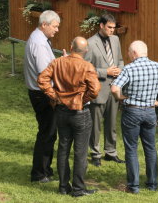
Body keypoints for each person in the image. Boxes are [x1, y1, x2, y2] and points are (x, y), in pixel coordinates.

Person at [38, 37, 100, 197]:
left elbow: (42, 79)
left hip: (61, 111)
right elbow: (94, 90)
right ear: (85, 51)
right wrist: (80, 99)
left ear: (70, 46)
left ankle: (64, 186)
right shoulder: (87, 66)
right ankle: (78, 188)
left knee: (63, 148)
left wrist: (55, 96)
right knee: (80, 152)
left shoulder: (58, 62)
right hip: (80, 113)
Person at [111, 40, 158, 194]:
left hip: (132, 112)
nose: (127, 55)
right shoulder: (157, 66)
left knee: (131, 149)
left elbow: (114, 88)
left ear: (134, 53)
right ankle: (152, 184)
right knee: (150, 148)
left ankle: (133, 186)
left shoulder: (128, 68)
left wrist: (121, 97)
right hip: (150, 112)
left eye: (128, 52)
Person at [24, 10, 61, 183]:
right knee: (47, 133)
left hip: (41, 93)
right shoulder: (39, 43)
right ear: (44, 24)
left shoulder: (40, 38)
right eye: (55, 26)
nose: (57, 30)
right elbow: (45, 72)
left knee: (49, 133)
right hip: (42, 95)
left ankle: (45, 170)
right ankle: (39, 174)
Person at [85, 14, 124, 167]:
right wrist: (105, 72)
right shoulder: (90, 43)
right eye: (109, 27)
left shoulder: (115, 40)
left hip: (114, 88)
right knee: (95, 125)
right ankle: (95, 154)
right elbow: (86, 69)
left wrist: (119, 70)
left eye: (114, 28)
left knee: (112, 123)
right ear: (101, 25)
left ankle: (111, 152)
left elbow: (120, 59)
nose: (112, 31)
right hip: (98, 90)